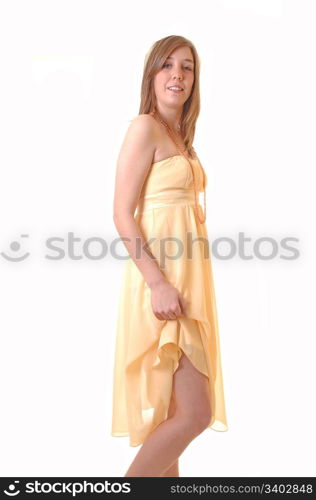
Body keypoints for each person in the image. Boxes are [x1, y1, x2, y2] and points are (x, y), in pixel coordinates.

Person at [111, 35, 228, 477]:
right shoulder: (144, 127)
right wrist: (158, 283)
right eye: (167, 65)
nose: (177, 75)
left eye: (187, 67)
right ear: (152, 75)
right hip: (162, 281)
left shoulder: (182, 139)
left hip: (189, 281)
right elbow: (122, 215)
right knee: (195, 414)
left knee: (173, 415)